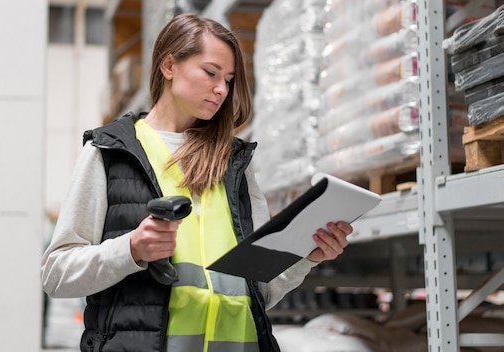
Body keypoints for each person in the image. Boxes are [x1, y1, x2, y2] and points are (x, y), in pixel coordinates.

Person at [41, 12, 353, 352]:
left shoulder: (234, 163)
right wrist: (130, 249)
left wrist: (306, 256)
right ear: (169, 65)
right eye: (210, 73)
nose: (221, 89)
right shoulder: (111, 152)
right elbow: (56, 274)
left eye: (229, 79)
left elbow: (260, 292)